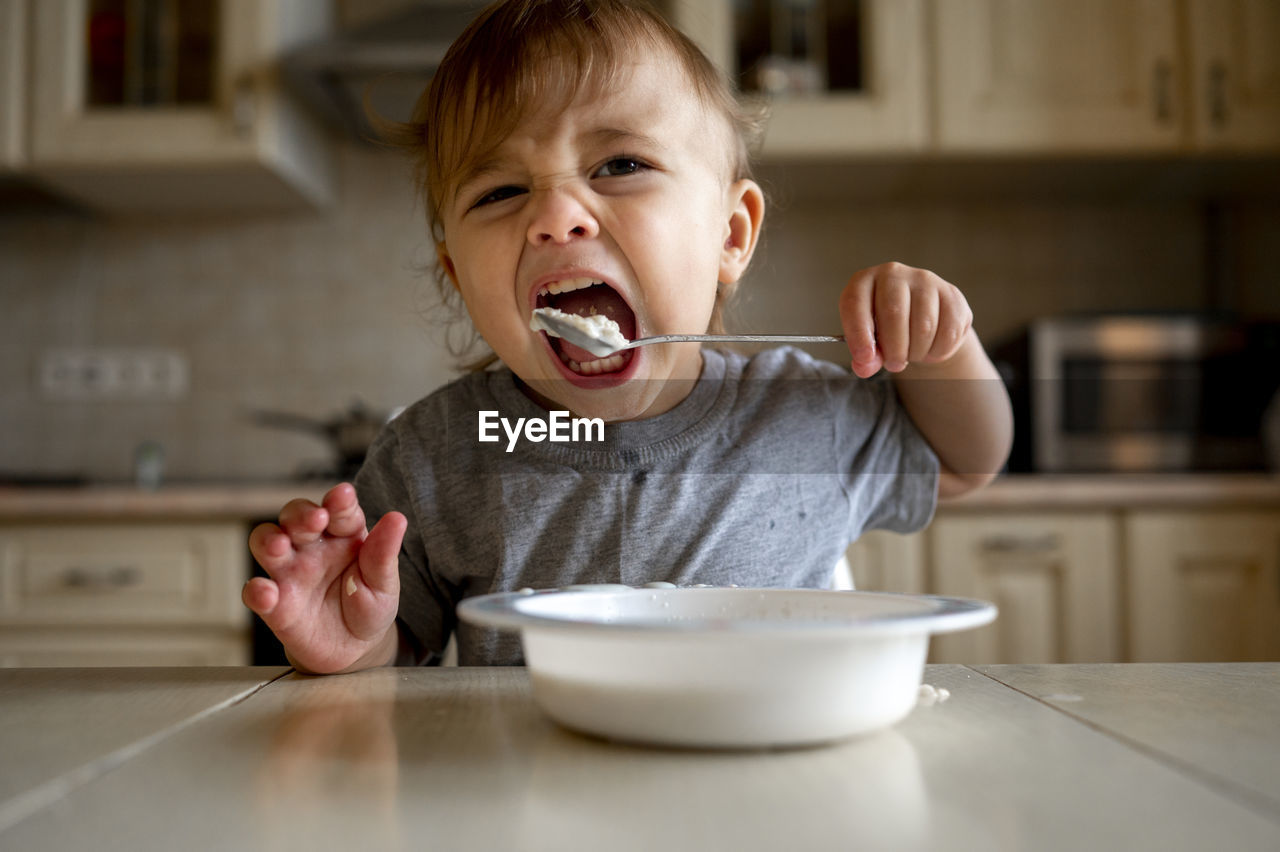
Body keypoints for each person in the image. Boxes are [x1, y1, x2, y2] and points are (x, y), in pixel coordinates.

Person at [242, 0, 1013, 672]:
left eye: (619, 164)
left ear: (730, 235)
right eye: (502, 190)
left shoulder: (800, 410)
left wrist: (945, 347)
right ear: (455, 273)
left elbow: (966, 462)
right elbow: (398, 643)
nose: (555, 216)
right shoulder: (434, 456)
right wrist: (354, 642)